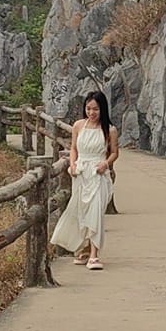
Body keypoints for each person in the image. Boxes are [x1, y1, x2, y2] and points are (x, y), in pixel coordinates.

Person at [51, 90, 119, 270]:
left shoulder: (110, 130)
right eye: (88, 109)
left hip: (98, 174)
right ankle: (84, 248)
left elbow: (114, 153)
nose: (91, 113)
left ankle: (95, 255)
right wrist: (72, 165)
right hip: (81, 173)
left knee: (96, 212)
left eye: (95, 109)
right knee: (82, 212)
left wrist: (106, 163)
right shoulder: (78, 126)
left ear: (102, 109)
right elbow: (73, 148)